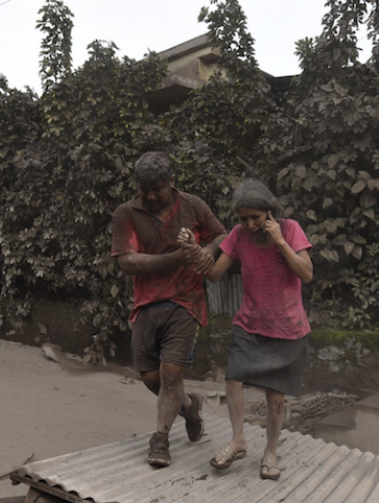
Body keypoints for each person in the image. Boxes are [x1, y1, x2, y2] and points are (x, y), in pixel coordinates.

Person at [180, 178, 312, 480]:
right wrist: (194, 251)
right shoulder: (238, 236)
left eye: (256, 217)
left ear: (269, 212)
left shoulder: (290, 229)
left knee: (274, 396)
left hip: (287, 328)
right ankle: (238, 440)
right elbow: (214, 274)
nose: (250, 224)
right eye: (243, 218)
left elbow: (307, 274)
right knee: (233, 380)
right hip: (249, 324)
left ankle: (270, 453)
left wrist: (280, 242)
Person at [111, 151, 227, 467]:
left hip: (186, 300)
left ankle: (160, 439)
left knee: (171, 372)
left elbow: (221, 235)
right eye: (143, 189)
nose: (149, 195)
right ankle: (190, 406)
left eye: (157, 189)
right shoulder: (126, 213)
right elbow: (127, 262)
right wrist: (178, 257)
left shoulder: (193, 205)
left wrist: (207, 251)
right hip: (146, 304)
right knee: (151, 378)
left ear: (172, 182)